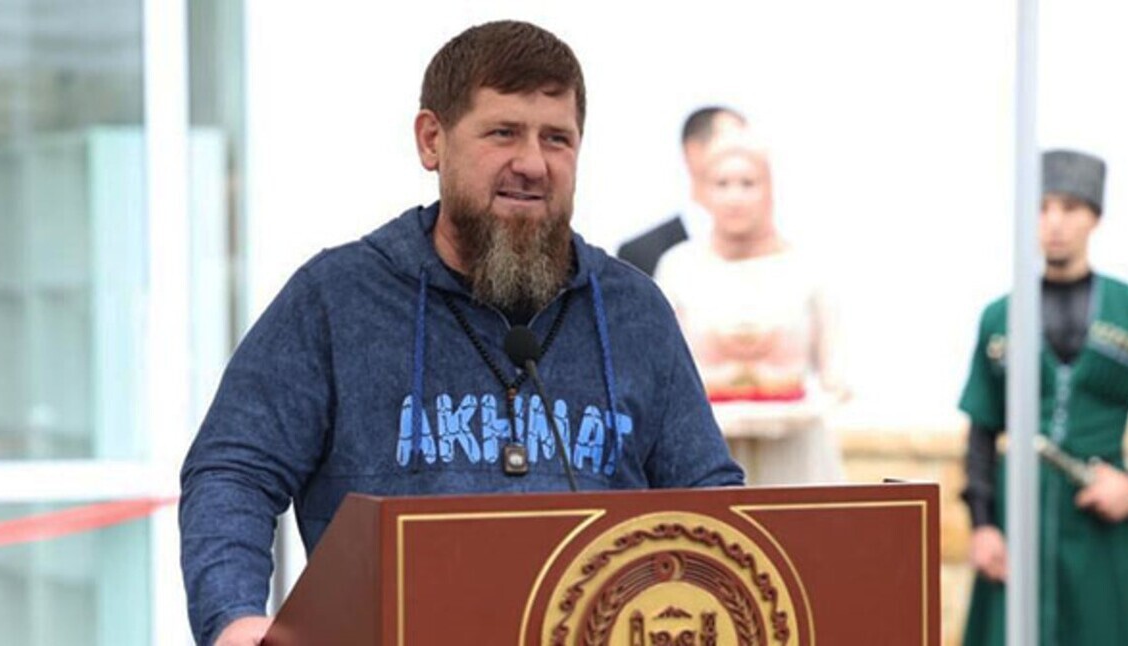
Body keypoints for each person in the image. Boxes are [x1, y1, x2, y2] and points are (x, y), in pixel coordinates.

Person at [178, 20, 744, 646]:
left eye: (556, 139)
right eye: (503, 133)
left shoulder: (633, 310)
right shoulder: (335, 298)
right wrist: (235, 617)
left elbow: (711, 501)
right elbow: (234, 471)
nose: (532, 163)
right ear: (432, 140)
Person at [959, 149, 1128, 646]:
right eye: (1042, 208)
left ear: (1093, 216)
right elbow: (982, 430)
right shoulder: (1000, 317)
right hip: (1018, 520)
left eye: (1069, 208)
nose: (1054, 222)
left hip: (1102, 524)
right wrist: (983, 526)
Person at [655, 129, 849, 485]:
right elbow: (660, 374)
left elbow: (835, 377)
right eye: (722, 184)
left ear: (770, 188)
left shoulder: (808, 268)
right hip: (705, 455)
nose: (735, 197)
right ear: (702, 191)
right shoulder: (678, 269)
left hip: (796, 456)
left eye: (748, 183)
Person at [616, 106, 746, 276]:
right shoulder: (641, 254)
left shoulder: (771, 250)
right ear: (693, 151)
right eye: (731, 147)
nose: (744, 158)